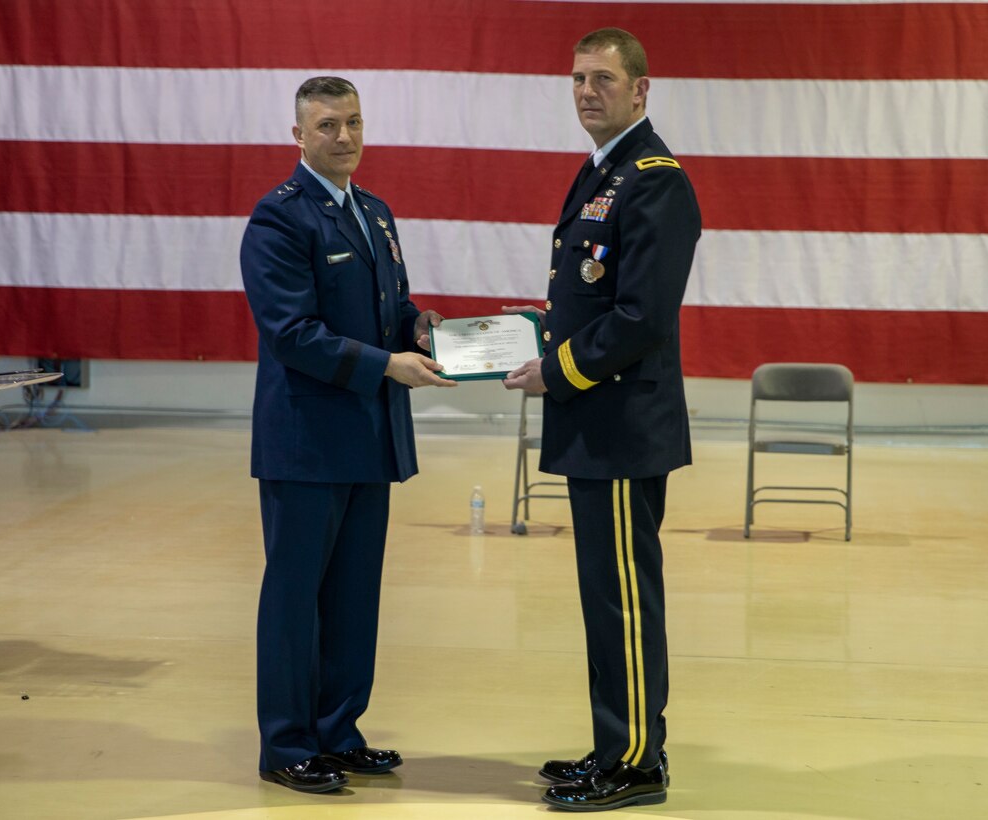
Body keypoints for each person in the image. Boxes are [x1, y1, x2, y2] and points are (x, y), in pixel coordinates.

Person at [503, 28, 701, 812]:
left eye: (604, 80)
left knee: (622, 598)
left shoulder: (653, 180)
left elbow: (641, 317)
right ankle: (614, 744)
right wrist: (532, 338)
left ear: (641, 90)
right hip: (597, 422)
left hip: (620, 425)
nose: (587, 91)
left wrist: (556, 370)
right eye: (579, 78)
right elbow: (583, 299)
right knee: (604, 599)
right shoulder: (602, 173)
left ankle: (633, 765)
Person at [240, 75, 456, 795]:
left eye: (354, 122)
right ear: (298, 136)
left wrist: (430, 334)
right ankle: (287, 743)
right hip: (306, 442)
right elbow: (293, 334)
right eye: (328, 125)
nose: (344, 136)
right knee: (296, 597)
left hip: (368, 436)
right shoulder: (278, 220)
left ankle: (339, 730)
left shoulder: (375, 212)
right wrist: (387, 363)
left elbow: (390, 309)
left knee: (355, 596)